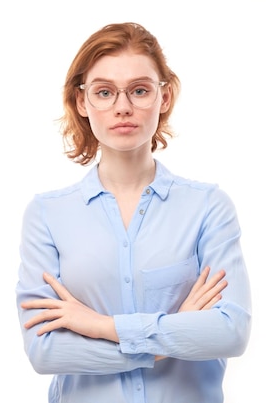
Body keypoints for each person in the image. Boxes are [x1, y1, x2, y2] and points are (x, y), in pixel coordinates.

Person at [15, 22, 252, 403]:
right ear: (81, 102)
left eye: (139, 90)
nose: (122, 106)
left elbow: (230, 331)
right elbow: (46, 352)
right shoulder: (46, 215)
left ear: (165, 97)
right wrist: (164, 343)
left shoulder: (207, 207)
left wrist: (100, 326)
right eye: (104, 92)